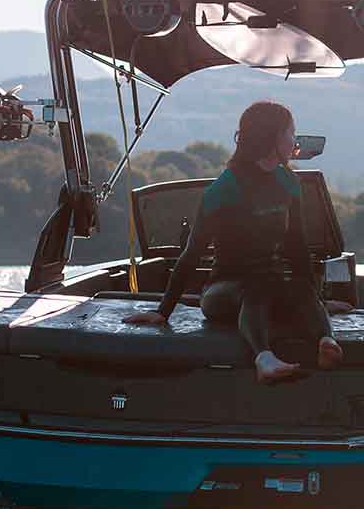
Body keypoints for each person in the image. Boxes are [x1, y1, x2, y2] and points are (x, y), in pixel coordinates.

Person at [123, 100, 342, 383]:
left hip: (271, 284)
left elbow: (297, 249)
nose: (294, 140)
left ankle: (326, 340)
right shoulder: (225, 189)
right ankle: (264, 358)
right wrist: (162, 311)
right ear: (273, 138)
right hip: (222, 291)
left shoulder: (288, 181)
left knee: (297, 286)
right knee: (257, 285)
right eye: (290, 133)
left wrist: (317, 300)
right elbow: (192, 254)